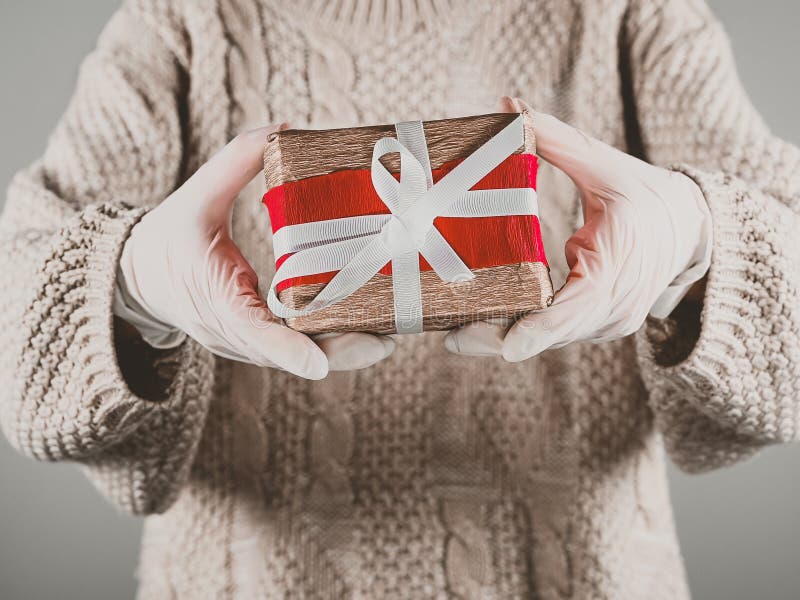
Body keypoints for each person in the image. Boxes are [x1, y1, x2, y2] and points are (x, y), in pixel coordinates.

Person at [0, 0, 797, 597]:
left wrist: (699, 244)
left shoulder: (633, 14)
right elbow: (17, 352)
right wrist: (130, 283)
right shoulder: (181, 21)